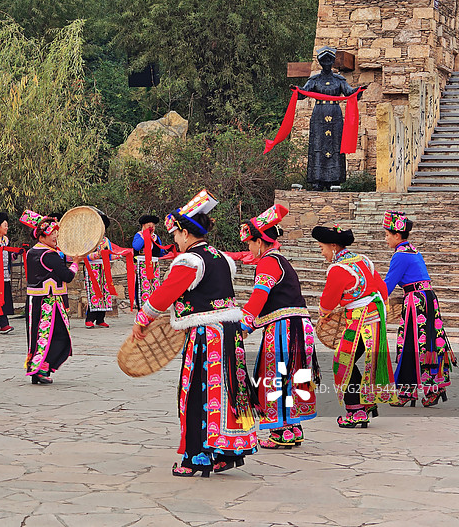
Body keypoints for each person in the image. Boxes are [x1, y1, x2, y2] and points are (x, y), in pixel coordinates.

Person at [132, 190, 257, 477]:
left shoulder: (190, 261)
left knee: (198, 394)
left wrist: (143, 318)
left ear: (186, 233)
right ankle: (228, 452)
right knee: (229, 390)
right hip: (230, 332)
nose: (175, 240)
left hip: (207, 336)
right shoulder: (221, 258)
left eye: (176, 234)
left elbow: (165, 294)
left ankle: (196, 458)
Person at [239, 205, 319, 449]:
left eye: (251, 244)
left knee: (275, 374)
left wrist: (242, 325)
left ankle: (281, 431)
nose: (249, 249)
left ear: (260, 242)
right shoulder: (282, 261)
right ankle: (294, 428)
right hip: (300, 327)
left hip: (285, 329)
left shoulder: (268, 263)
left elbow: (259, 297)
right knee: (295, 375)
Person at [312, 225, 397, 428]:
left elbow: (328, 300)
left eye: (322, 248)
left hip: (360, 319)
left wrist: (324, 314)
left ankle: (356, 411)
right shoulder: (363, 260)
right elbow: (382, 289)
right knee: (358, 361)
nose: (322, 253)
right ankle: (365, 404)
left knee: (343, 362)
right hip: (375, 316)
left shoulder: (338, 269)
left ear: (333, 246)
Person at [382, 211, 456, 407]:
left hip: (416, 302)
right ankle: (434, 388)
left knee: (410, 345)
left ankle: (407, 392)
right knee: (429, 344)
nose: (386, 238)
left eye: (387, 235)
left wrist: (368, 291)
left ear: (397, 235)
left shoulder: (400, 255)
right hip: (428, 298)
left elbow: (387, 287)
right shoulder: (413, 250)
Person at [20, 209, 81, 384]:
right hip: (48, 301)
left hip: (35, 300)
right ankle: (42, 368)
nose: (56, 236)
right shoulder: (50, 255)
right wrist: (76, 263)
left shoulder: (33, 252)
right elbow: (67, 276)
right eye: (52, 234)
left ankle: (37, 368)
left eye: (56, 233)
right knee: (57, 335)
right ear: (42, 237)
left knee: (38, 336)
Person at [297, 46, 364, 191]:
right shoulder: (314, 80)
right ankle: (317, 180)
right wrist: (296, 90)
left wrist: (358, 91)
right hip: (319, 115)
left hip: (335, 115)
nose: (327, 63)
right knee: (317, 144)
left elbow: (349, 92)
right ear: (320, 62)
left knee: (335, 145)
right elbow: (303, 93)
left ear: (333, 62)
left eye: (329, 60)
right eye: (324, 60)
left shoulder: (339, 80)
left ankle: (334, 179)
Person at [84, 211, 113, 328]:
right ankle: (89, 318)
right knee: (94, 292)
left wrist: (118, 255)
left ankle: (101, 318)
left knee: (105, 292)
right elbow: (84, 255)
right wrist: (96, 255)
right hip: (93, 268)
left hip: (104, 268)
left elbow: (110, 254)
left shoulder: (106, 241)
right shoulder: (88, 240)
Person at [132, 214, 164, 309]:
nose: (151, 228)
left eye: (153, 226)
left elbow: (160, 251)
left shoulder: (156, 237)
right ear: (143, 226)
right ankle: (141, 309)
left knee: (154, 287)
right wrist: (146, 235)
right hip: (141, 266)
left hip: (154, 265)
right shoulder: (139, 235)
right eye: (149, 226)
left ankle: (153, 308)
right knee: (142, 287)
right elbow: (136, 247)